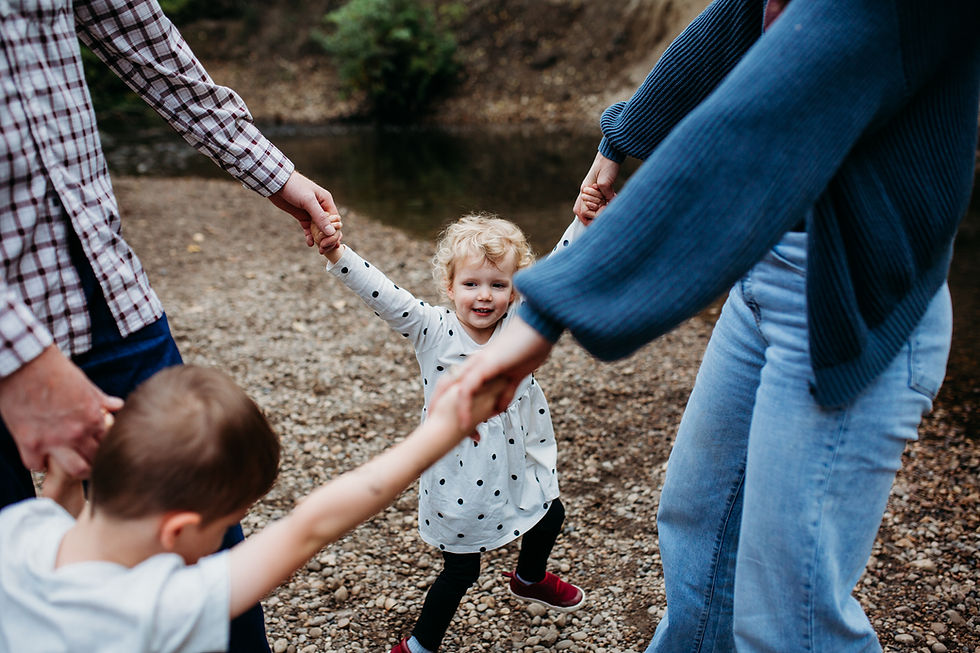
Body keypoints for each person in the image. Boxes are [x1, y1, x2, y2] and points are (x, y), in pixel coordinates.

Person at [434, 1, 980, 651]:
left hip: (852, 305)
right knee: (701, 536)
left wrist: (545, 316)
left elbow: (751, 124)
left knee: (789, 616)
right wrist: (622, 139)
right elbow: (737, 22)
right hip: (764, 278)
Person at [1, 2, 340, 649]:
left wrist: (272, 172)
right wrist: (16, 355)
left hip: (103, 284)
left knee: (210, 506)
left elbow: (144, 40)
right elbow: (310, 527)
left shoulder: (19, 540)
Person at [0, 364, 505, 653]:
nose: (227, 536)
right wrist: (442, 431)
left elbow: (59, 494)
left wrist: (67, 468)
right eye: (225, 525)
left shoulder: (22, 528)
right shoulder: (156, 609)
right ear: (178, 530)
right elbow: (310, 526)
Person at [311, 214, 586, 653]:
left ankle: (528, 578)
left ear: (516, 289)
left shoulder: (521, 324)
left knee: (549, 514)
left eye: (498, 285)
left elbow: (563, 269)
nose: (484, 296)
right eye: (472, 284)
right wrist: (336, 253)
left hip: (520, 458)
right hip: (459, 472)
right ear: (449, 285)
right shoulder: (431, 329)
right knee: (462, 571)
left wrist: (583, 220)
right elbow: (381, 292)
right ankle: (419, 645)